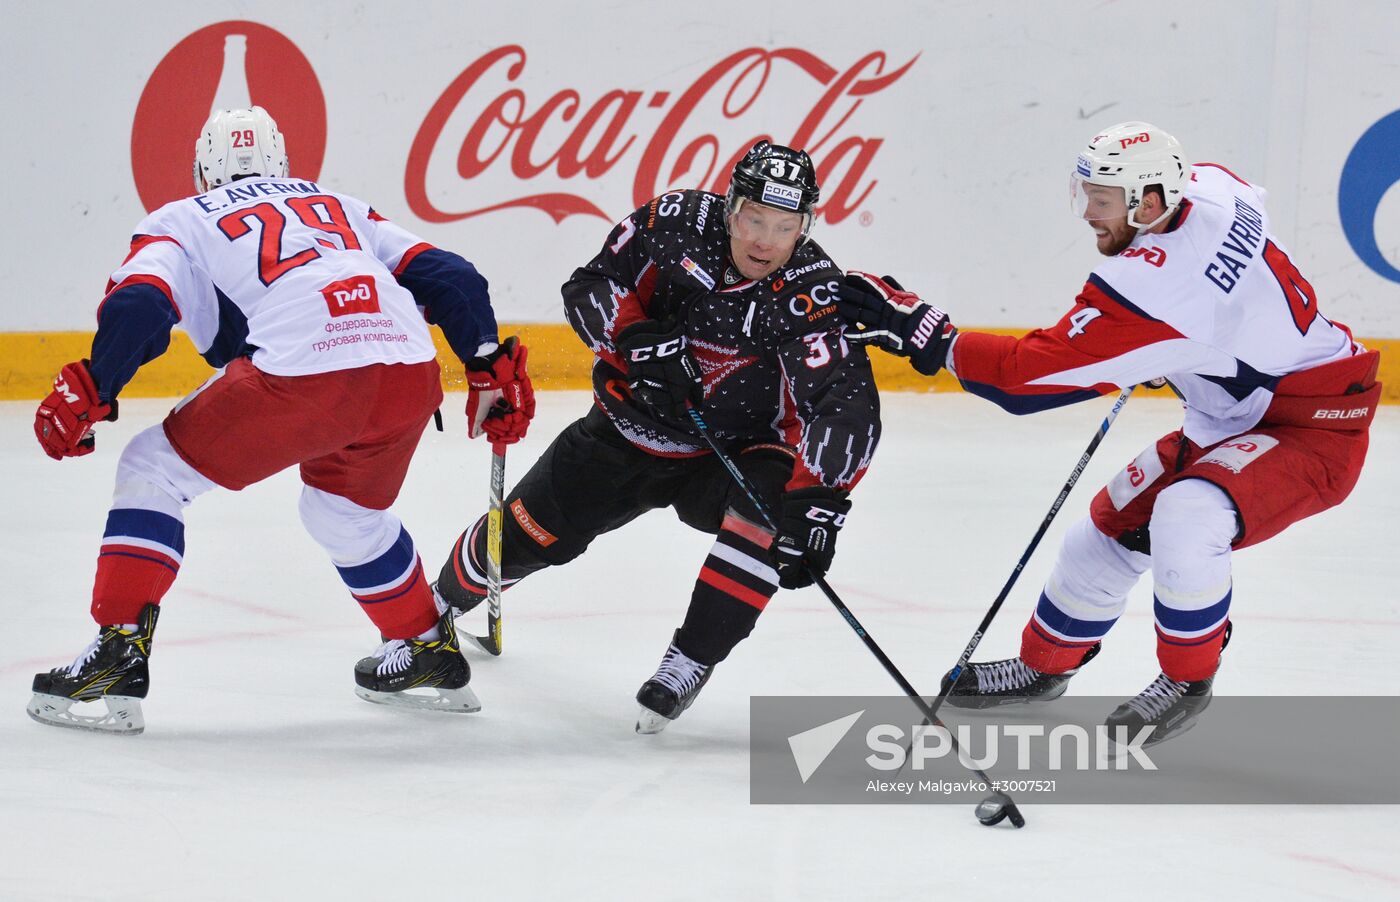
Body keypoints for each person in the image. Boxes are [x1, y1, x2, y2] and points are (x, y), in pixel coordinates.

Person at [837, 121, 1380, 743]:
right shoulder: (1212, 186)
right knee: (1104, 531)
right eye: (1086, 194)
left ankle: (1187, 682)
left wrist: (927, 335)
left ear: (1149, 202)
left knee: (1186, 515)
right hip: (1233, 414)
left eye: (1102, 200)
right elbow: (1239, 262)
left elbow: (1022, 381)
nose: (1089, 213)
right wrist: (1189, 349)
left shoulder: (1151, 288)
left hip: (1315, 426)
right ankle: (1044, 667)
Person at [28, 106, 534, 734]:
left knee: (152, 469)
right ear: (284, 164)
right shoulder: (340, 205)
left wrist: (95, 388)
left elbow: (140, 304)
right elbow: (452, 277)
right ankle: (424, 646)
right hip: (406, 369)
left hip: (303, 371)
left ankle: (116, 652)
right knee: (343, 512)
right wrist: (487, 363)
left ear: (202, 171)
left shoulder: (181, 218)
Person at [434, 141, 882, 733]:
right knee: (526, 538)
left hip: (733, 455)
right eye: (754, 219)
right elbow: (589, 285)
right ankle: (437, 607)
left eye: (785, 226)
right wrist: (634, 338)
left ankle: (689, 661)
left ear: (807, 226)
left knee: (776, 507)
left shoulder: (812, 293)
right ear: (730, 208)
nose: (765, 242)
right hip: (627, 431)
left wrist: (820, 502)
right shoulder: (673, 224)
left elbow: (845, 404)